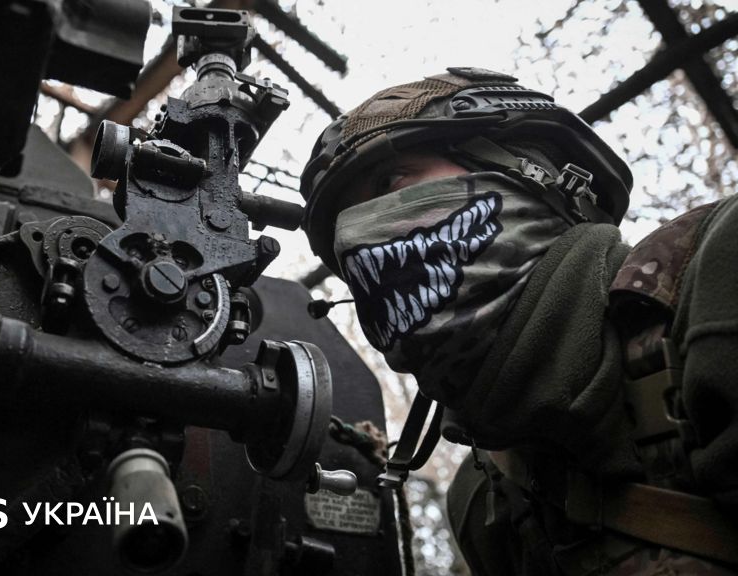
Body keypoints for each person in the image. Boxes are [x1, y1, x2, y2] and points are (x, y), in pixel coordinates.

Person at [298, 67, 738, 575]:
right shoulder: (484, 494)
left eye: (390, 182)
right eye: (342, 228)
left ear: (536, 174)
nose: (356, 238)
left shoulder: (714, 276)